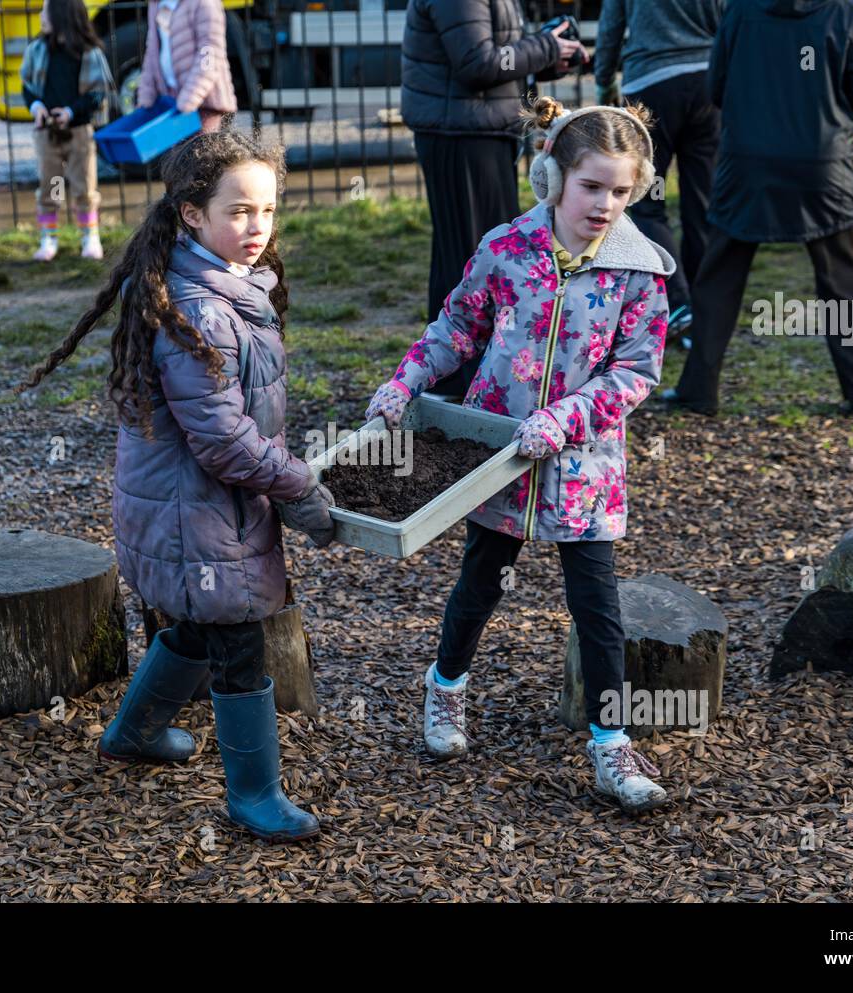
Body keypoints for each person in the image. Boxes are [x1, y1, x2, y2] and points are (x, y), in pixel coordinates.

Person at [21, 128, 335, 843]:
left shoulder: (210, 283)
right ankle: (254, 794)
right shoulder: (198, 308)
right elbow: (222, 438)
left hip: (194, 507)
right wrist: (298, 487)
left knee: (198, 621)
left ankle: (132, 732)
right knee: (239, 644)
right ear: (192, 213)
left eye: (266, 210)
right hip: (194, 513)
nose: (256, 227)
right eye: (238, 211)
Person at [366, 96, 675, 815]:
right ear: (551, 177)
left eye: (621, 190)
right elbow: (458, 325)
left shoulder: (640, 273)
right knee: (480, 583)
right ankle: (444, 689)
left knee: (596, 608)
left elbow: (635, 373)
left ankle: (610, 742)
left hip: (579, 469)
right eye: (591, 186)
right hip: (498, 456)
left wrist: (566, 418)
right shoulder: (507, 247)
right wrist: (407, 376)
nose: (605, 204)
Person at [660, 0, 853, 417]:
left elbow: (717, 86)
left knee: (719, 276)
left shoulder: (740, 12)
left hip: (747, 163)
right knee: (841, 279)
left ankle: (698, 389)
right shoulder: (852, 16)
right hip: (823, 165)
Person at [401, 0, 585, 398]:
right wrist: (545, 46)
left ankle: (468, 379)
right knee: (470, 260)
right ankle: (457, 385)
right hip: (461, 134)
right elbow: (475, 63)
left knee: (481, 257)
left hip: (475, 128)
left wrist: (551, 56)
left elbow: (494, 58)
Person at [595, 0, 726, 342]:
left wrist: (603, 79)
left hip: (651, 89)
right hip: (706, 85)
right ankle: (705, 307)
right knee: (703, 203)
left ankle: (680, 302)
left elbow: (610, 27)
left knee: (648, 199)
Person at [19, 0, 113, 262]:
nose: (41, 15)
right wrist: (36, 106)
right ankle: (49, 237)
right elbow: (27, 86)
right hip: (46, 132)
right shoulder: (37, 49)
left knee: (84, 186)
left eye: (45, 10)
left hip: (79, 132)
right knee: (50, 187)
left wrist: (70, 112)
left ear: (62, 15)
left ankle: (89, 235)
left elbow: (97, 94)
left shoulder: (89, 52)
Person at [137, 0, 237, 134]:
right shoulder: (156, 4)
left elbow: (210, 57)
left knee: (203, 153)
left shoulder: (203, 3)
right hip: (175, 106)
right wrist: (145, 99)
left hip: (204, 106)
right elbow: (151, 55)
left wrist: (187, 102)